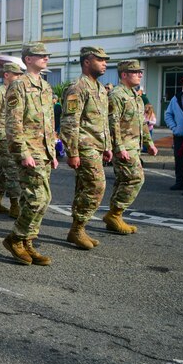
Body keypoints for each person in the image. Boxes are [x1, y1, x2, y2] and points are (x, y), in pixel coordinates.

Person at [1, 43, 58, 266]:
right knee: (38, 198)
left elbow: (50, 122)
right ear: (28, 59)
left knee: (40, 199)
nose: (46, 58)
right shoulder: (18, 86)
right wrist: (22, 152)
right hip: (29, 151)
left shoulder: (45, 86)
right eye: (40, 55)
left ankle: (27, 242)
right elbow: (13, 123)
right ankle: (15, 238)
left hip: (44, 151)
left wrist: (53, 151)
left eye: (47, 55)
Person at [60, 46, 113, 250]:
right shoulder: (77, 87)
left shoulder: (99, 88)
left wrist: (107, 146)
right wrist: (72, 152)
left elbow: (101, 121)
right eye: (100, 59)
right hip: (84, 146)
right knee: (96, 187)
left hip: (97, 146)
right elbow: (69, 122)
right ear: (87, 61)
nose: (105, 63)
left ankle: (77, 229)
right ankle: (78, 227)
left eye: (105, 59)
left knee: (84, 188)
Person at [105, 60, 159, 233]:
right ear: (124, 75)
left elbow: (142, 122)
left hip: (134, 146)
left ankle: (114, 217)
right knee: (136, 178)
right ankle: (115, 214)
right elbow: (112, 123)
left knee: (123, 181)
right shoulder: (117, 95)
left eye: (140, 72)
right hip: (124, 147)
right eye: (135, 72)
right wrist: (119, 147)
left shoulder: (136, 96)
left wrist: (149, 143)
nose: (140, 74)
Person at [0, 62, 24, 218]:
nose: (18, 77)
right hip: (3, 138)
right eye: (15, 74)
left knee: (3, 170)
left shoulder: (18, 92)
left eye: (19, 75)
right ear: (6, 75)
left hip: (15, 137)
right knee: (12, 171)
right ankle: (15, 204)